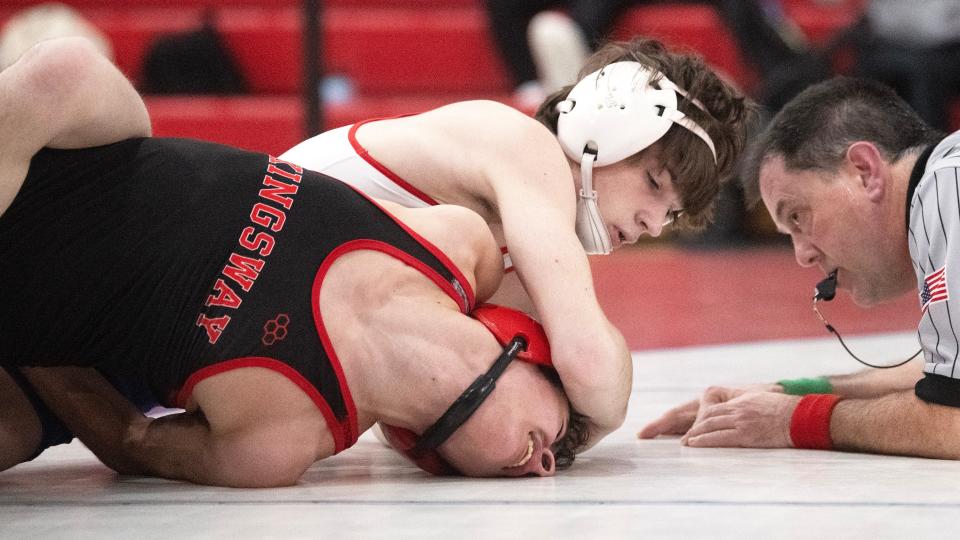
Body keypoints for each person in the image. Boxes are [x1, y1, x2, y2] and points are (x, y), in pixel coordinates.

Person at [0, 37, 584, 486]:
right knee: (64, 71)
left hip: (27, 340)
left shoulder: (277, 445)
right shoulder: (457, 246)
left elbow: (131, 440)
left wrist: (23, 339)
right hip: (80, 162)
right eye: (558, 432)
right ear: (525, 346)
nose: (547, 463)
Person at [281, 37, 753, 448]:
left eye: (672, 213)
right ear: (601, 131)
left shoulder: (519, 264)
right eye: (653, 182)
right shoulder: (520, 144)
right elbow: (591, 368)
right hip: (248, 253)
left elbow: (427, 421)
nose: (654, 225)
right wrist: (594, 415)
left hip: (270, 317)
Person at [639, 76, 960, 458]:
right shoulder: (941, 187)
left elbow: (952, 416)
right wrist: (788, 391)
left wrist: (791, 419)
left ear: (864, 170)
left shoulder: (947, 189)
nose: (803, 255)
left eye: (797, 216)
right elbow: (944, 381)